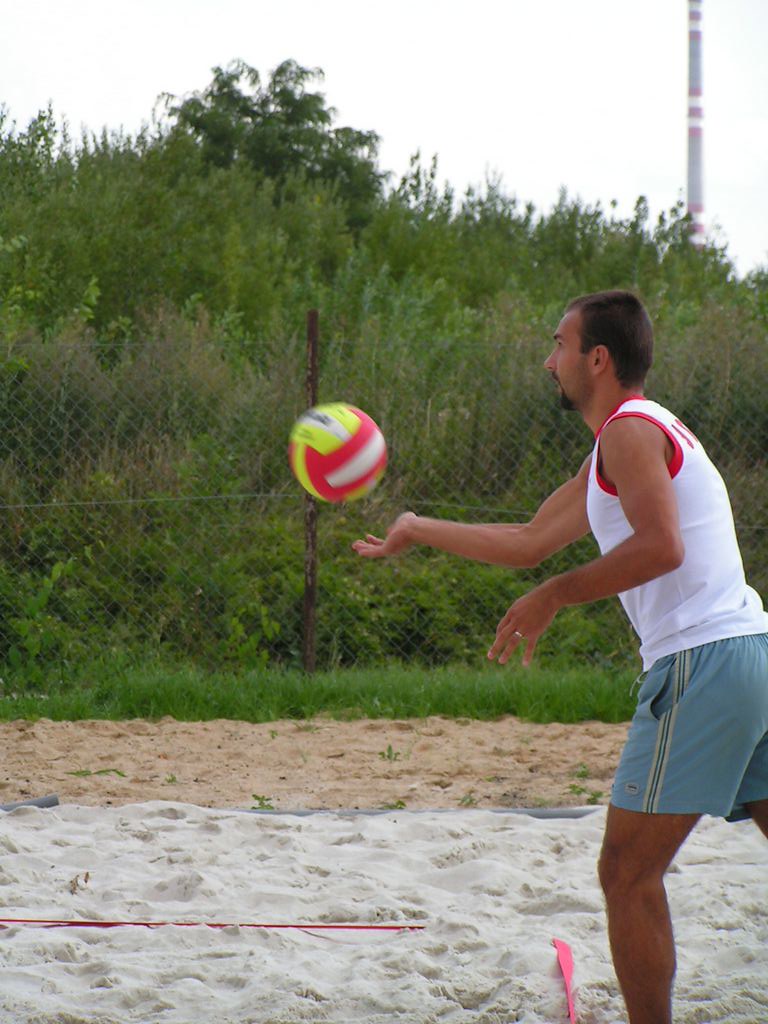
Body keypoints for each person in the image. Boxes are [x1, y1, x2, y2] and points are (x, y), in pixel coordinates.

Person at [352, 290, 768, 1024]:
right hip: (749, 654)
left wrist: (555, 595)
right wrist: (416, 528)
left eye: (558, 344)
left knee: (626, 873)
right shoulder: (626, 438)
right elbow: (529, 541)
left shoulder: (629, 431)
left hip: (702, 663)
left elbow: (662, 546)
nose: (549, 361)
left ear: (597, 358)